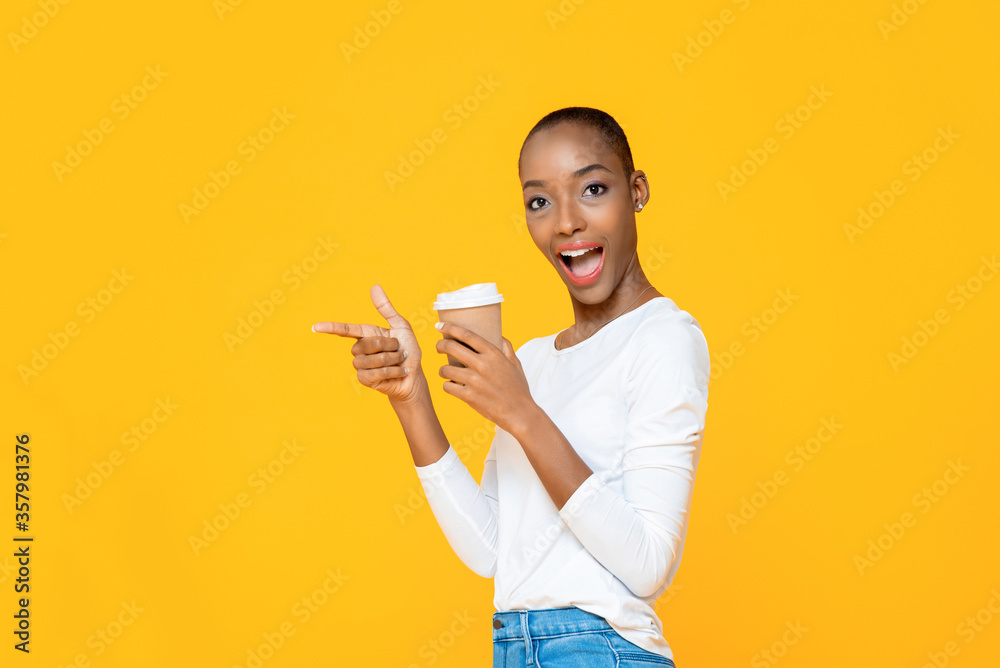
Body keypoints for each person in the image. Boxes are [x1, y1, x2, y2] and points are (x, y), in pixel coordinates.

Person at [312, 106, 710, 667]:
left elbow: (648, 564)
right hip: (514, 648)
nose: (567, 222)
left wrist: (522, 414)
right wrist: (412, 398)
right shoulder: (532, 361)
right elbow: (491, 549)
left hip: (603, 651)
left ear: (637, 191)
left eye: (592, 188)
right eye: (540, 201)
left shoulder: (663, 336)